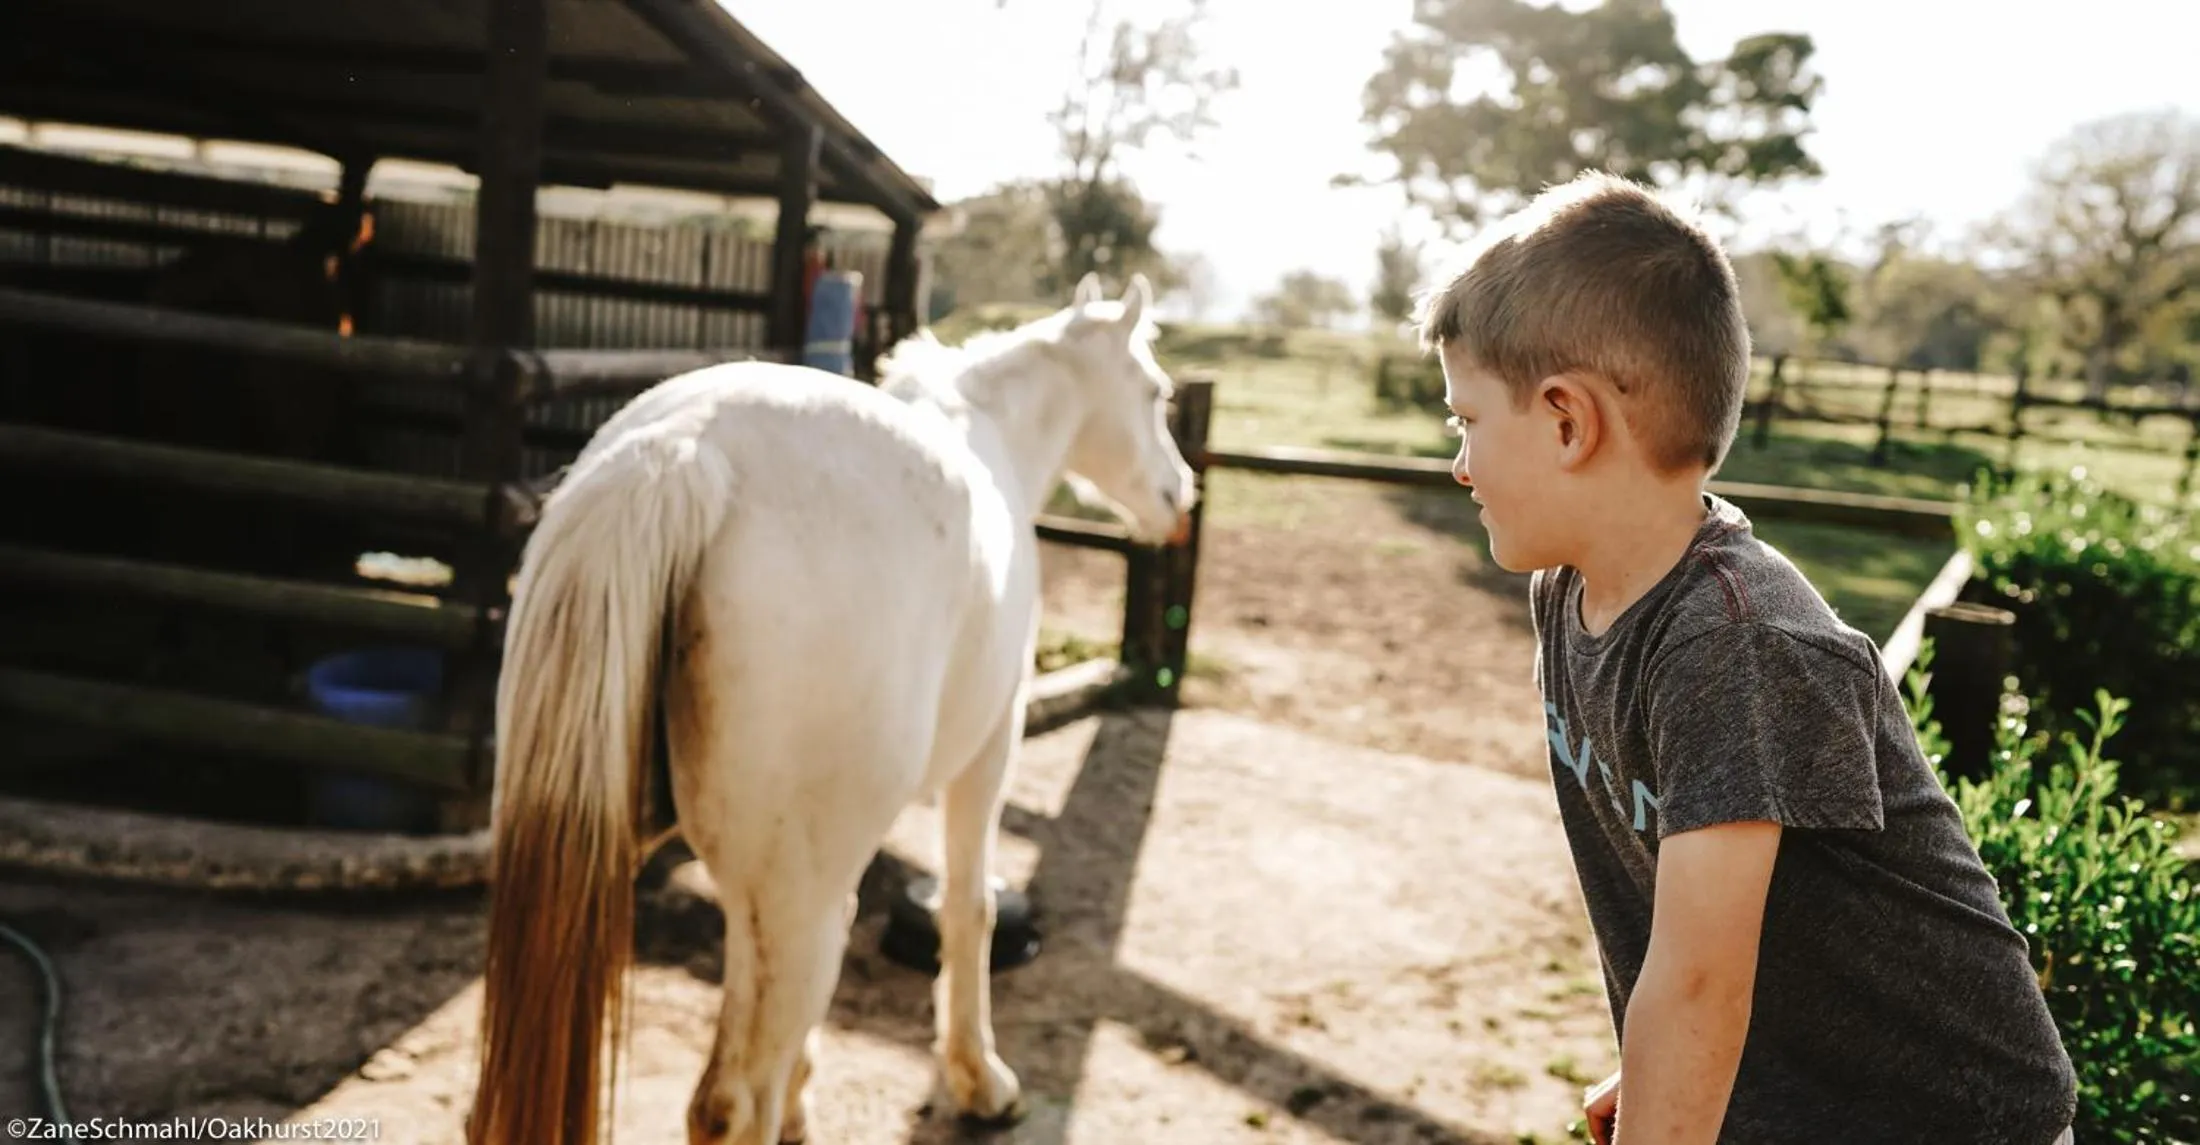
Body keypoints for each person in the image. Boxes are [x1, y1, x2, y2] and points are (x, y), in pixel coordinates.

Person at [1415, 171, 2077, 1145]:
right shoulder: (1565, 594)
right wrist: (1668, 1072)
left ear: (1566, 418)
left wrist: (1681, 1056)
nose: (1458, 463)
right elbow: (1704, 943)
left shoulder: (1738, 644)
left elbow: (1694, 987)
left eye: (1467, 419)